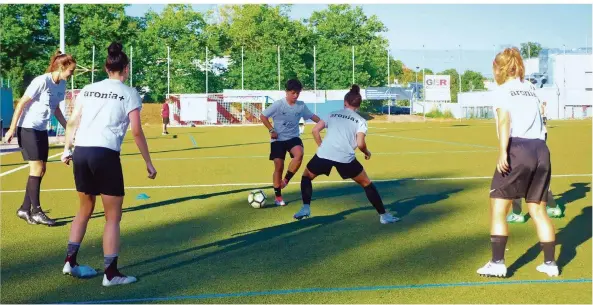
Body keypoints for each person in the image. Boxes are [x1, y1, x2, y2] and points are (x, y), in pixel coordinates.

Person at [60, 42, 157, 287]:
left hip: (81, 152)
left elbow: (72, 121)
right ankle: (111, 274)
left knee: (84, 208)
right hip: (105, 154)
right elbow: (136, 131)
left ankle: (70, 261)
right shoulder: (130, 92)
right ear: (126, 68)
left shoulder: (88, 89)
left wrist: (66, 149)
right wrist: (148, 162)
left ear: (106, 67)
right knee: (113, 217)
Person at [477, 47, 558, 278]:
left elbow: (504, 120)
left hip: (518, 148)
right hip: (541, 149)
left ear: (499, 68)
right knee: (538, 209)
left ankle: (497, 262)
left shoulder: (502, 90)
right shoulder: (532, 89)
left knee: (498, 208)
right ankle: (550, 264)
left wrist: (503, 151)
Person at [292, 85, 399, 224]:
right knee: (367, 184)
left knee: (306, 177)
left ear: (345, 102)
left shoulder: (332, 113)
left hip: (324, 154)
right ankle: (384, 216)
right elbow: (360, 144)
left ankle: (306, 207)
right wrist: (367, 152)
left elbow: (315, 131)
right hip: (345, 157)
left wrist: (322, 146)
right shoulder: (361, 121)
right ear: (359, 106)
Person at [4, 50, 76, 226]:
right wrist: (11, 129)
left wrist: (68, 127)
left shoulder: (61, 85)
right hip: (27, 128)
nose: (72, 74)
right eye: (70, 71)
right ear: (61, 67)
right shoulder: (41, 81)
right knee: (36, 169)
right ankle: (36, 212)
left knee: (41, 170)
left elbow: (56, 109)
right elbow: (21, 103)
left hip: (42, 129)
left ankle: (24, 209)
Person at [260, 79, 320, 206]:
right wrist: (271, 129)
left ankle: (286, 180)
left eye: (298, 93)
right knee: (279, 166)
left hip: (293, 137)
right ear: (286, 92)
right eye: (293, 93)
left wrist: (325, 123)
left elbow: (313, 116)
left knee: (299, 154)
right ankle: (278, 197)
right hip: (278, 139)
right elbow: (263, 116)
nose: (296, 95)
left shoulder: (301, 106)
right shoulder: (278, 105)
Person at [506, 92, 561, 223]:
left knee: (517, 177)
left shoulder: (513, 95)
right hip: (539, 139)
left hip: (522, 141)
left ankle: (517, 213)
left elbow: (507, 121)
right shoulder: (531, 94)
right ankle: (553, 207)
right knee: (539, 177)